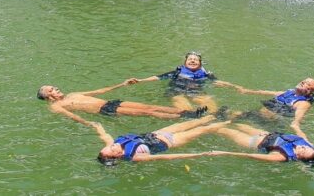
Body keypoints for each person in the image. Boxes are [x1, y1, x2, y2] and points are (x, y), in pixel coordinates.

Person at [37, 81, 205, 127]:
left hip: (110, 102)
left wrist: (122, 84)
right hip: (104, 110)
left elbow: (100, 91)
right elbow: (71, 115)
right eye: (53, 89)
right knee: (148, 113)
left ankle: (188, 113)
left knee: (149, 107)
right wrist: (88, 123)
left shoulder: (73, 94)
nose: (57, 88)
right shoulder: (56, 106)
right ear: (48, 96)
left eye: (55, 86)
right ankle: (183, 119)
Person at [92, 116, 229, 164]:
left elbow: (106, 137)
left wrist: (98, 127)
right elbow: (167, 157)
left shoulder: (116, 145)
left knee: (195, 122)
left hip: (157, 133)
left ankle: (216, 115)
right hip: (171, 140)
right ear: (117, 155)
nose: (112, 145)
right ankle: (231, 121)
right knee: (203, 129)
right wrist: (199, 154)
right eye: (111, 148)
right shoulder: (135, 157)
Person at [214, 77, 314, 135]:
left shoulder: (303, 103)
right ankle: (220, 120)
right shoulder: (290, 92)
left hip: (269, 122)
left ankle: (219, 123)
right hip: (259, 114)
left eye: (307, 85)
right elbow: (270, 92)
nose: (303, 82)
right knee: (235, 115)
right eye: (304, 81)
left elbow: (298, 119)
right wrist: (247, 91)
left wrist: (296, 126)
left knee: (239, 121)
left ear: (310, 92)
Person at [127, 51, 217, 111]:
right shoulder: (177, 72)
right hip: (176, 92)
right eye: (190, 59)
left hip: (195, 91)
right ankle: (193, 118)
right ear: (185, 63)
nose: (192, 61)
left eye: (195, 60)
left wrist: (231, 86)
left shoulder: (206, 74)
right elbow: (158, 77)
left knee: (208, 102)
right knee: (185, 107)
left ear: (200, 64)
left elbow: (218, 82)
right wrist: (140, 80)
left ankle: (214, 118)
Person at [208, 121, 314, 165]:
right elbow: (302, 137)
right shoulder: (307, 145)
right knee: (236, 122)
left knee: (224, 130)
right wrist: (296, 126)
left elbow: (251, 156)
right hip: (266, 134)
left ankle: (206, 125)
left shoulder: (281, 156)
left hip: (253, 142)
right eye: (307, 147)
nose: (304, 146)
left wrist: (224, 153)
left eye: (304, 150)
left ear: (298, 156)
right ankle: (216, 118)